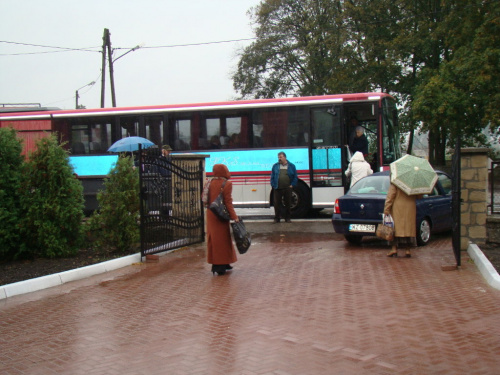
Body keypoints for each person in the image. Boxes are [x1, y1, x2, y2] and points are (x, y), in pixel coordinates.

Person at [203, 164, 239, 275]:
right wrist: (234, 217)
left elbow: (205, 198)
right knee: (223, 240)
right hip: (221, 215)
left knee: (214, 240)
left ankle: (219, 263)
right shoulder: (227, 184)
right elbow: (228, 202)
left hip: (211, 213)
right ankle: (221, 266)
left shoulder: (209, 182)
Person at [383, 181, 423, 258]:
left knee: (394, 228)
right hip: (410, 208)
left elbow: (390, 196)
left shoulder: (396, 182)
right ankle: (408, 250)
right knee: (408, 228)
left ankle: (394, 248)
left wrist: (386, 209)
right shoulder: (413, 183)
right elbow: (419, 196)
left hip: (398, 207)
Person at [270, 151, 298, 223]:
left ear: (285, 157)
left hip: (287, 188)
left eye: (281, 157)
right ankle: (277, 218)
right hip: (277, 188)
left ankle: (287, 218)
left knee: (288, 203)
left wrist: (292, 185)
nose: (279, 159)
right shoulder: (275, 166)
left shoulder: (291, 166)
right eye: (278, 157)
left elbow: (295, 177)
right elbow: (272, 176)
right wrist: (273, 184)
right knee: (277, 204)